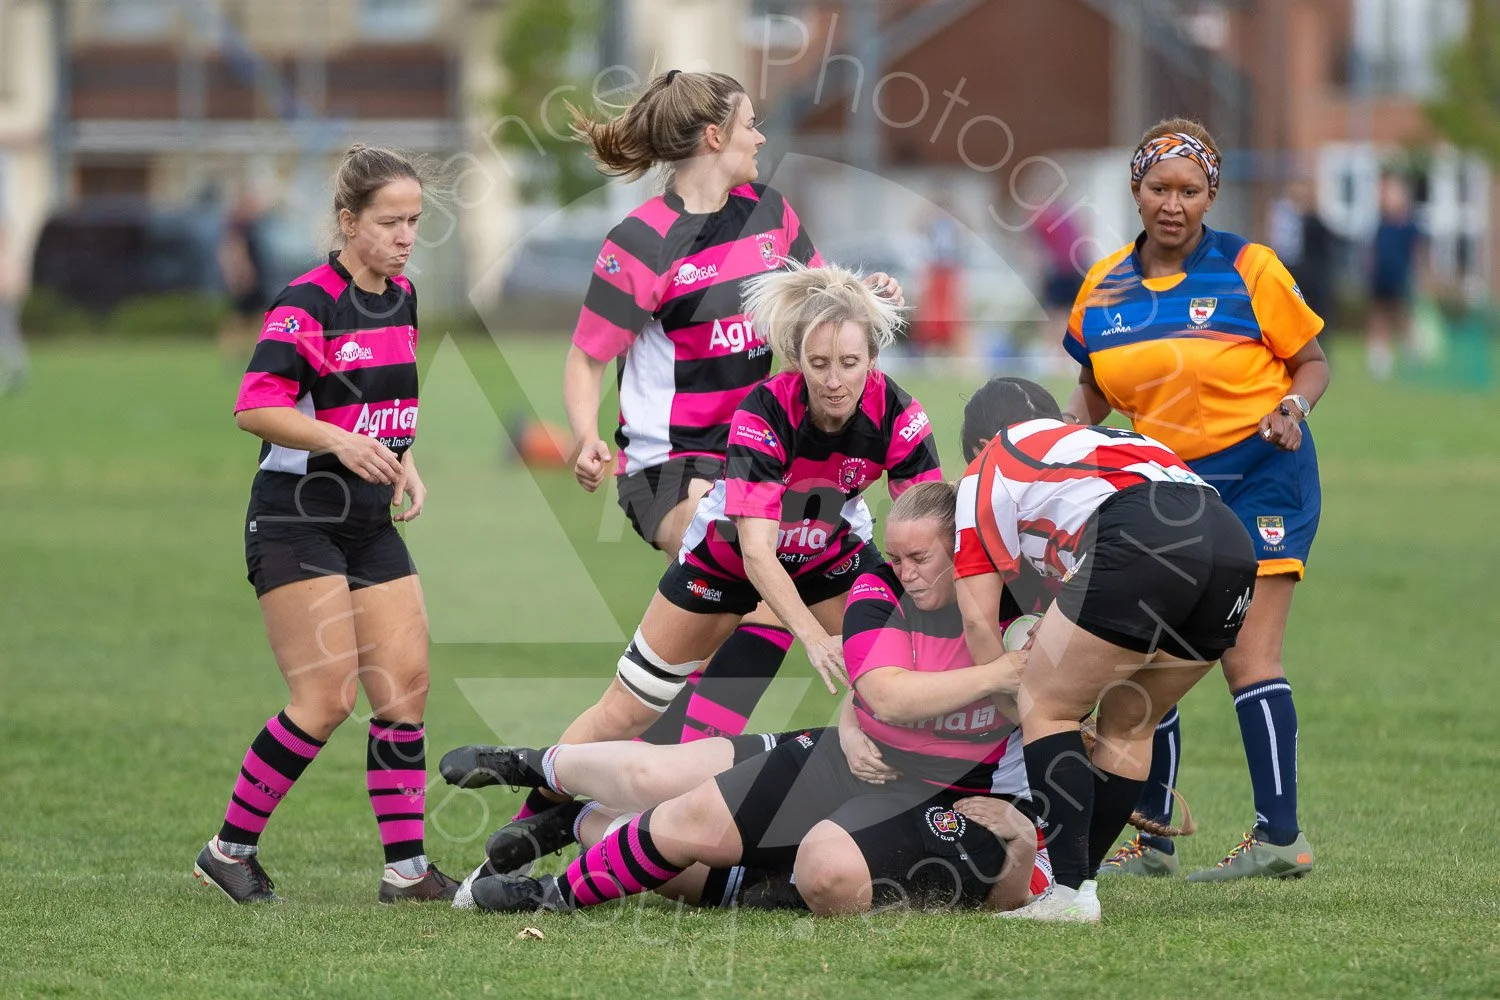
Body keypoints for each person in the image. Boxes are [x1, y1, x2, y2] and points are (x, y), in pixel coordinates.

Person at [456, 481, 1045, 916]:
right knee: (678, 806)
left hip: (934, 799)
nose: (903, 572)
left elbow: (1058, 716)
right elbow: (883, 694)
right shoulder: (877, 587)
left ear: (962, 553)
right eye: (895, 557)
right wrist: (995, 675)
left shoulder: (1018, 615)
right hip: (847, 763)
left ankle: (577, 820)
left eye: (920, 559)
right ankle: (548, 877)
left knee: (796, 866)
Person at [561, 69, 904, 758]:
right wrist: (584, 437)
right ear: (715, 136)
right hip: (668, 467)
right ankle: (638, 765)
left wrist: (863, 294)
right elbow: (585, 358)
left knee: (846, 619)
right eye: (750, 123)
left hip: (754, 457)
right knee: (764, 578)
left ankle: (665, 760)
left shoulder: (769, 214)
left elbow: (819, 301)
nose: (761, 136)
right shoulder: (641, 242)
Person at [1055, 118, 1329, 883]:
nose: (1173, 204)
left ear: (1211, 194)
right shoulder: (1103, 287)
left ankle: (1282, 838)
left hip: (1265, 477)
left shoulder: (1250, 267)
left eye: (1190, 190)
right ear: (1135, 192)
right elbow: (1093, 389)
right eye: (1158, 188)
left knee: (1247, 653)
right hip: (1170, 492)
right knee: (1149, 650)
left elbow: (1311, 363)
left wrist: (1293, 411)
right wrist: (1064, 432)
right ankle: (1156, 839)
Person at [191, 144, 458, 904]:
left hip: (368, 521)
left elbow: (375, 404)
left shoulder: (400, 297)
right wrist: (341, 441)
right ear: (348, 220)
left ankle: (407, 872)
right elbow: (256, 407)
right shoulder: (306, 301)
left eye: (414, 221)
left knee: (405, 689)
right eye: (390, 222)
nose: (407, 236)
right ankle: (227, 850)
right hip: (296, 520)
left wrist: (402, 460)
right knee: (325, 700)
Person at [952, 376, 1259, 921]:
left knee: (1048, 707)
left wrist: (1015, 702)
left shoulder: (988, 466)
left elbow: (978, 618)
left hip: (1142, 534)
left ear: (978, 445)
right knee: (1129, 725)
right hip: (1232, 545)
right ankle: (1077, 888)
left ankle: (1069, 893)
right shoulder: (1101, 440)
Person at [1366, 172, 1424, 380]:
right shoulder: (1382, 224)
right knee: (1379, 315)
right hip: (1381, 277)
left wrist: (1417, 278)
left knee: (1403, 315)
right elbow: (1374, 251)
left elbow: (1416, 254)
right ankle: (1379, 359)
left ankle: (1411, 354)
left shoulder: (1409, 226)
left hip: (1399, 277)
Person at [217, 190, 271, 367]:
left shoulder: (250, 226)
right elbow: (233, 252)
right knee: (240, 318)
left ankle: (250, 352)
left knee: (251, 316)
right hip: (247, 280)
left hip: (253, 278)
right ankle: (235, 353)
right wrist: (241, 276)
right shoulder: (238, 227)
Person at [0, 216, 30, 395]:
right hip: (9, 299)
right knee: (9, 334)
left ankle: (15, 368)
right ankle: (15, 369)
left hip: (6, 300)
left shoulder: (8, 256)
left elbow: (16, 281)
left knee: (8, 334)